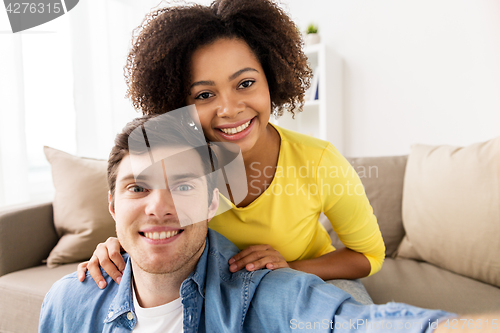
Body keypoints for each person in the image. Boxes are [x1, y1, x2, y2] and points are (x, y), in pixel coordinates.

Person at [39, 113, 472, 333]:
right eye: (138, 188)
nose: (159, 207)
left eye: (183, 186)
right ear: (111, 206)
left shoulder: (262, 294)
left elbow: (350, 322)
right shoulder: (67, 303)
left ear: (212, 204)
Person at [78, 0, 384, 303]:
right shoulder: (175, 166)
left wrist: (288, 268)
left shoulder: (318, 161)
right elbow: (150, 219)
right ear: (179, 105)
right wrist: (117, 247)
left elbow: (369, 255)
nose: (230, 109)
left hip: (309, 283)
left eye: (245, 83)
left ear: (272, 79)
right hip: (225, 295)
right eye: (205, 94)